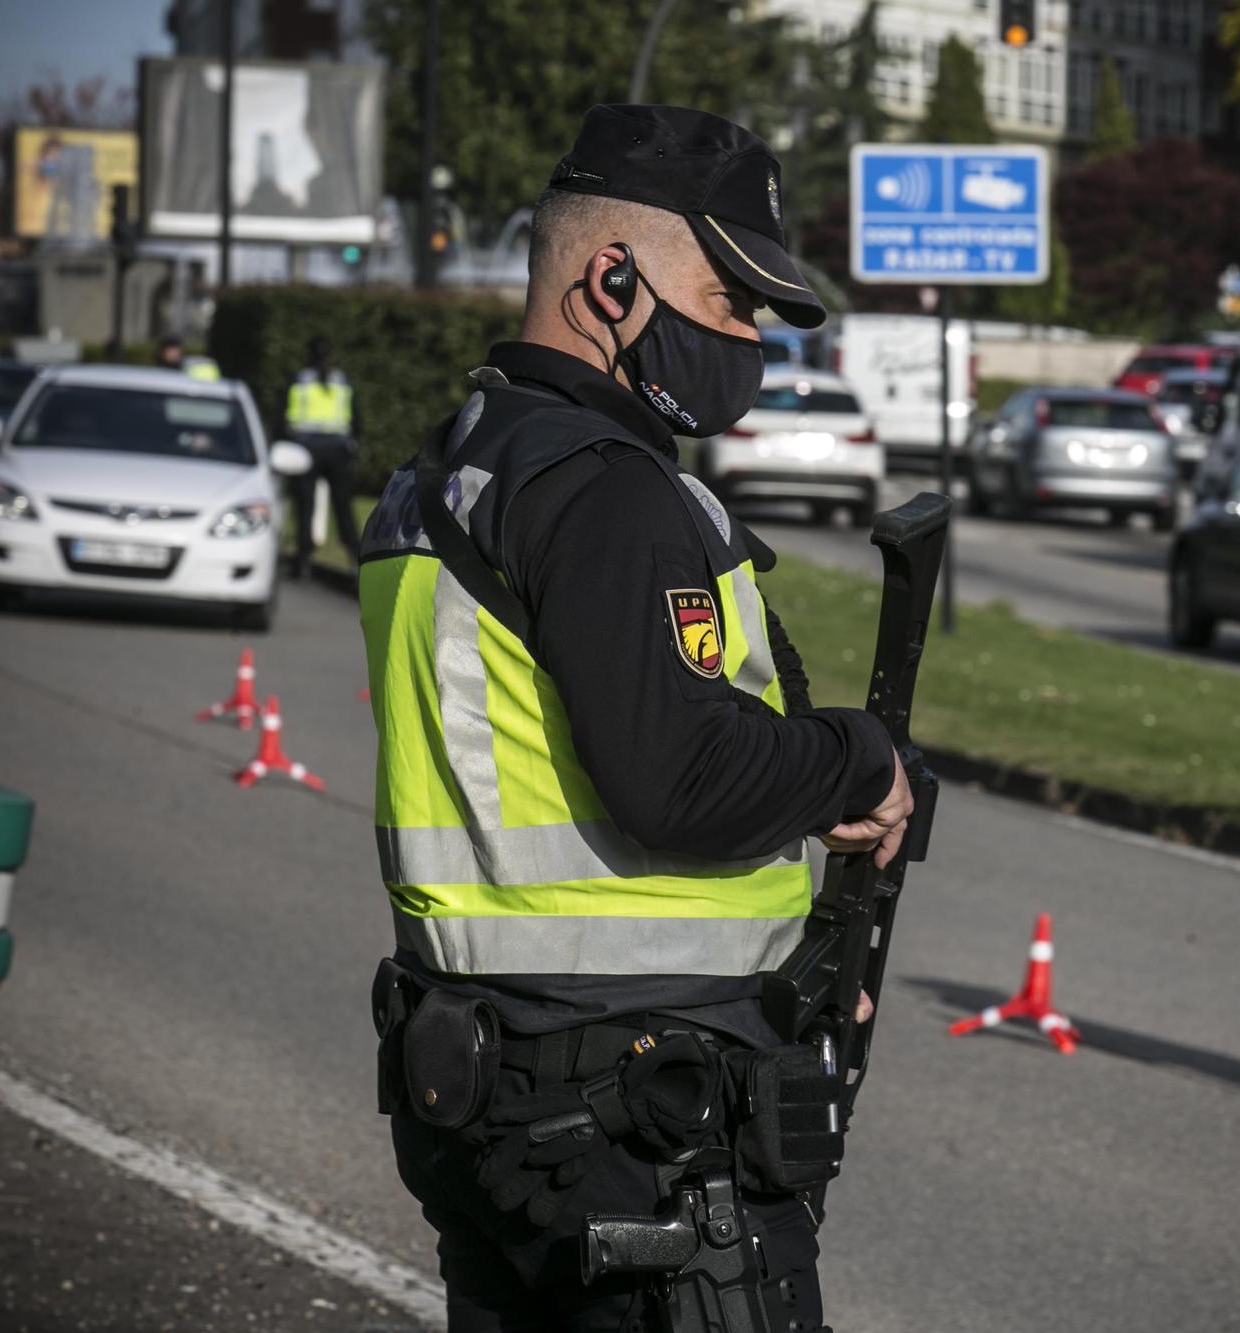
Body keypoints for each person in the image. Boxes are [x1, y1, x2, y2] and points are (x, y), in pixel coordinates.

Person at [358, 104, 914, 1331]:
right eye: (726, 297)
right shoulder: (605, 493)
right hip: (627, 1110)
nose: (749, 334)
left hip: (493, 1079)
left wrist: (785, 971)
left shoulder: (452, 470)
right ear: (611, 276)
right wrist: (856, 760)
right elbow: (681, 779)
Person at [284, 336, 362, 575]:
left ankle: (304, 559)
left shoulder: (299, 380)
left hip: (306, 448)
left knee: (305, 505)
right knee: (343, 507)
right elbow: (357, 419)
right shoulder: (342, 380)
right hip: (337, 450)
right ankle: (355, 558)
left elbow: (283, 417)